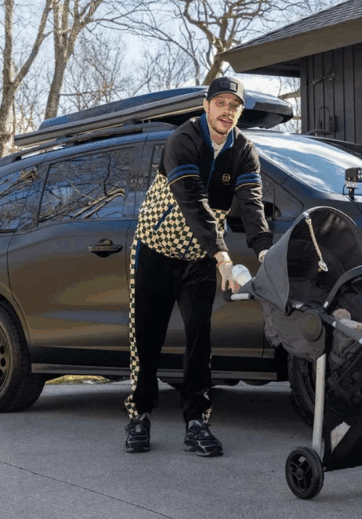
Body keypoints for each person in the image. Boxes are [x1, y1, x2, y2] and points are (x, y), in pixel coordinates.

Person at [124, 77, 273, 457]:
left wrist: (263, 251)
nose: (227, 111)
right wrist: (222, 254)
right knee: (147, 338)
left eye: (234, 106)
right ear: (206, 106)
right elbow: (191, 200)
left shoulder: (244, 151)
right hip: (156, 251)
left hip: (201, 258)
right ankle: (139, 415)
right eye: (220, 102)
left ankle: (196, 422)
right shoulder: (184, 140)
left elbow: (251, 204)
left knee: (199, 337)